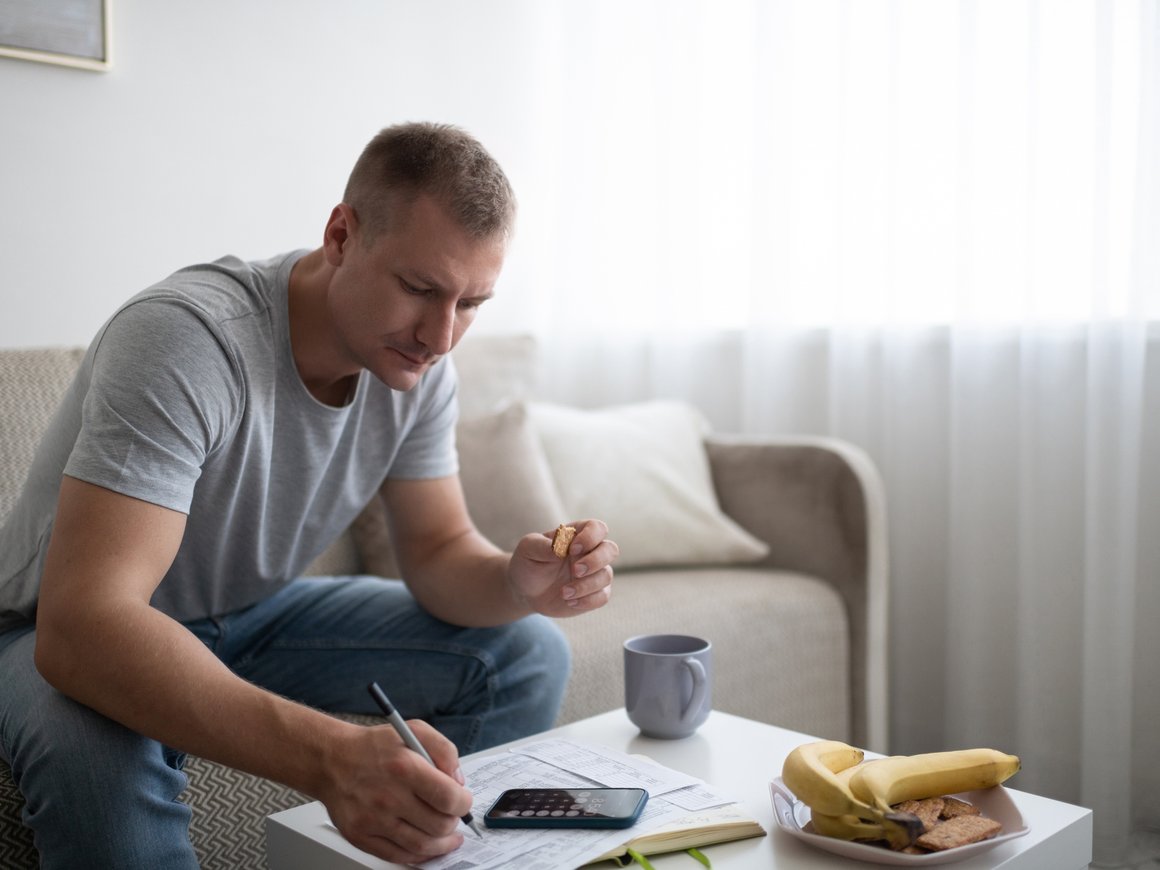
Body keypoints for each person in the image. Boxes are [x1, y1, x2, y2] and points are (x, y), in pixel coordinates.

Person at [0, 122, 617, 868]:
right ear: (340, 234)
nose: (441, 335)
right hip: (42, 630)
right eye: (421, 289)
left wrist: (514, 583)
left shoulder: (418, 372)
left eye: (472, 303)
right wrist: (332, 757)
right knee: (97, 755)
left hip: (246, 615)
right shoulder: (188, 340)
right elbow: (85, 624)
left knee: (523, 651)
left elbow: (438, 550)